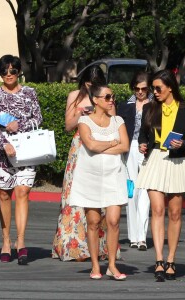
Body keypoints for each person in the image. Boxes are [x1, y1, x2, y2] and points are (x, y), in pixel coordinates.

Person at [52, 65, 120, 261]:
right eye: (88, 84)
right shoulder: (75, 95)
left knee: (100, 197)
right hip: (80, 147)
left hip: (100, 145)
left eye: (95, 85)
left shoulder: (106, 96)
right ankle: (73, 245)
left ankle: (101, 247)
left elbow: (115, 123)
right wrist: (81, 115)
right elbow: (67, 125)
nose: (91, 89)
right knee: (74, 195)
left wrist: (98, 115)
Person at [136, 69, 185, 282]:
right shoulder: (149, 108)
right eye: (153, 88)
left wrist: (183, 144)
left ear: (170, 87)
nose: (154, 92)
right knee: (157, 209)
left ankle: (171, 260)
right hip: (155, 160)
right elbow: (143, 135)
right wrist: (142, 144)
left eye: (158, 88)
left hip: (178, 161)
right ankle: (159, 261)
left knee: (175, 213)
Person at [69, 84, 129, 280]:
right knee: (93, 222)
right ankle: (95, 265)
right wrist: (113, 143)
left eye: (113, 96)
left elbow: (125, 146)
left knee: (113, 221)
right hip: (90, 177)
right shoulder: (84, 120)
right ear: (95, 100)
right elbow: (91, 145)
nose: (112, 100)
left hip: (114, 175)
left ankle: (112, 264)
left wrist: (105, 146)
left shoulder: (118, 120)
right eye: (107, 97)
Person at [0, 55, 43, 265]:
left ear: (19, 71)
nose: (8, 75)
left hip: (27, 149)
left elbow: (38, 118)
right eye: (4, 72)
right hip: (3, 152)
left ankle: (20, 242)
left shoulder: (30, 92)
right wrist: (5, 142)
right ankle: (5, 240)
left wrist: (18, 125)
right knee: (4, 195)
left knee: (23, 192)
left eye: (12, 71)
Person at [117, 71, 152, 251]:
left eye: (144, 89)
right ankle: (133, 236)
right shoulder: (126, 106)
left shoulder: (155, 105)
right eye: (137, 89)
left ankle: (142, 238)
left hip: (147, 150)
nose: (140, 92)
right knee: (132, 191)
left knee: (145, 191)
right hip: (129, 149)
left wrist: (148, 144)